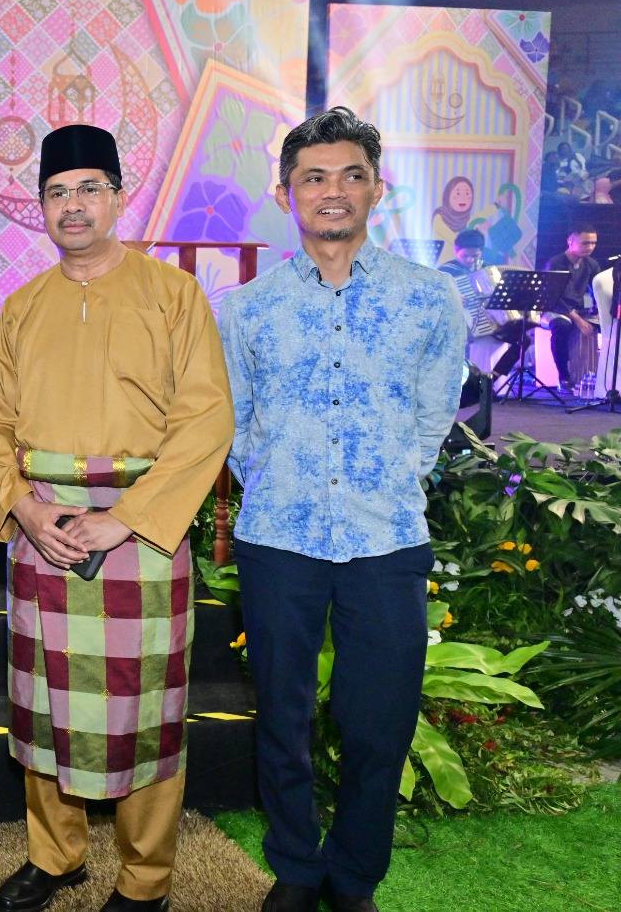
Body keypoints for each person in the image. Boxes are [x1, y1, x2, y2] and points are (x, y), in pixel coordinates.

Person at [0, 125, 233, 912]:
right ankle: (54, 857)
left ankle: (146, 879)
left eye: (90, 188)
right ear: (41, 206)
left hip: (141, 531)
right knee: (46, 704)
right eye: (58, 192)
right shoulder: (22, 307)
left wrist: (124, 519)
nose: (74, 205)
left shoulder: (173, 295)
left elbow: (206, 421)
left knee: (144, 708)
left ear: (119, 198)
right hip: (44, 529)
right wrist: (25, 506)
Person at [218, 107, 465, 912]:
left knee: (377, 724)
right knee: (281, 719)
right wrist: (274, 480)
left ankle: (355, 877)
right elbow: (234, 420)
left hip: (385, 539)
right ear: (286, 194)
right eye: (314, 177)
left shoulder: (428, 300)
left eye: (351, 175)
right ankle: (295, 867)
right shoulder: (246, 308)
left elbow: (433, 416)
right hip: (278, 539)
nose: (333, 191)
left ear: (376, 190)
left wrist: (387, 477)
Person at [437, 228, 530, 378]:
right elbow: (435, 298)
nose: (470, 260)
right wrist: (453, 297)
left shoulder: (488, 270)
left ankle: (494, 376)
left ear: (481, 252)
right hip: (461, 323)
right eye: (465, 256)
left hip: (491, 323)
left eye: (475, 256)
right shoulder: (445, 271)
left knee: (524, 339)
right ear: (456, 250)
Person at [543, 223, 602, 395]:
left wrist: (598, 312)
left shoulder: (592, 264)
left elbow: (596, 292)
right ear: (570, 240)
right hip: (554, 308)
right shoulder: (556, 263)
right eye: (585, 243)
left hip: (579, 310)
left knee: (608, 326)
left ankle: (597, 376)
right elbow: (554, 297)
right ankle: (564, 376)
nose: (590, 247)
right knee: (562, 326)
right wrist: (577, 319)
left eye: (593, 243)